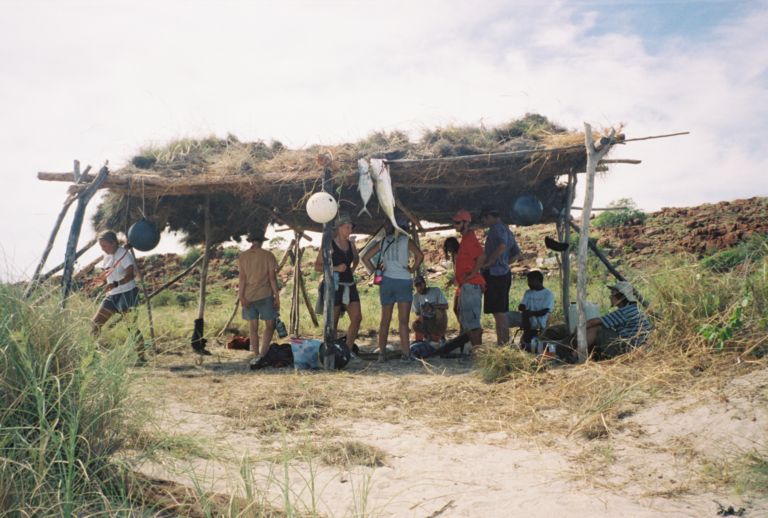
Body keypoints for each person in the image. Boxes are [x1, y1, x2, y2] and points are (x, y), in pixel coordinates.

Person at [362, 215, 424, 361]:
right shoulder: (406, 241)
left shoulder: (383, 241)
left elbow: (365, 257)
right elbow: (420, 256)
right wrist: (411, 269)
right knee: (403, 321)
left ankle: (381, 354)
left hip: (387, 281)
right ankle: (406, 354)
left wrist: (375, 272)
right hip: (403, 281)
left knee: (385, 320)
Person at [543, 281, 651, 361]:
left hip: (628, 348)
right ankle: (578, 352)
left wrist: (576, 331)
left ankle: (575, 355)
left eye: (612, 294)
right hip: (634, 346)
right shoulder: (633, 310)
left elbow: (593, 322)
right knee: (602, 329)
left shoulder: (624, 311)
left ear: (620, 297)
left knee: (597, 329)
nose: (610, 297)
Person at [314, 212, 363, 350]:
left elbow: (356, 260)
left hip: (349, 284)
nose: (350, 230)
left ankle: (347, 350)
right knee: (333, 322)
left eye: (351, 227)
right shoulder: (329, 244)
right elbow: (317, 266)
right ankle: (333, 351)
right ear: (339, 228)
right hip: (334, 286)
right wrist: (335, 268)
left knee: (357, 318)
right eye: (347, 227)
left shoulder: (350, 243)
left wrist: (351, 270)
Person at [480, 206, 521, 345]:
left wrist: (491, 262)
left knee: (499, 311)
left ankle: (503, 343)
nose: (484, 222)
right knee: (500, 310)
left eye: (484, 219)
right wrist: (505, 263)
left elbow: (502, 246)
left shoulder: (496, 229)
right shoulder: (508, 230)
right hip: (503, 273)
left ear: (489, 216)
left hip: (495, 274)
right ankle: (503, 342)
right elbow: (516, 254)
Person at [238, 230, 279, 359]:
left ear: (251, 242)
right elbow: (272, 278)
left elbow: (242, 279)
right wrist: (277, 296)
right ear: (261, 242)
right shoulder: (268, 255)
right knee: (270, 326)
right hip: (265, 294)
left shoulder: (243, 256)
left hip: (248, 295)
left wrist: (241, 297)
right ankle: (263, 354)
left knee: (253, 327)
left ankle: (255, 355)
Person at [91, 231, 140, 337]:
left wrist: (116, 284)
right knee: (95, 324)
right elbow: (109, 274)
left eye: (104, 246)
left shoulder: (124, 254)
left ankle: (141, 354)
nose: (102, 248)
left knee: (132, 329)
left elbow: (131, 275)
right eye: (101, 246)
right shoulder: (106, 256)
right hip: (112, 295)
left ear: (113, 243)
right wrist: (102, 281)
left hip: (128, 294)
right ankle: (92, 352)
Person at [452, 209, 486, 351]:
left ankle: (478, 351)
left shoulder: (470, 238)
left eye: (458, 222)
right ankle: (475, 350)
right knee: (467, 320)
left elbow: (481, 257)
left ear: (466, 223)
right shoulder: (466, 239)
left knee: (472, 322)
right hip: (466, 285)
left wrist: (472, 274)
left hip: (471, 285)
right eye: (454, 222)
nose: (455, 225)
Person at [507, 270, 554, 350]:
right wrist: (522, 307)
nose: (528, 283)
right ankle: (505, 342)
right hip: (526, 318)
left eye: (530, 281)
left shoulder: (548, 294)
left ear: (538, 280)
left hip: (539, 320)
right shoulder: (528, 292)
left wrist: (530, 313)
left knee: (526, 315)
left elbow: (545, 311)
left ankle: (527, 339)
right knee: (505, 316)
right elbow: (521, 307)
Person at [412, 274, 449, 343]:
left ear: (424, 284)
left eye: (420, 284)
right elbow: (417, 313)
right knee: (415, 324)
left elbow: (446, 306)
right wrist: (424, 311)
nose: (419, 287)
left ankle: (441, 336)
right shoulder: (415, 297)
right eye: (417, 286)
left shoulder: (436, 291)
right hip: (427, 319)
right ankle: (427, 336)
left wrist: (432, 306)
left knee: (439, 312)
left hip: (438, 318)